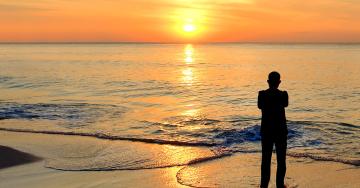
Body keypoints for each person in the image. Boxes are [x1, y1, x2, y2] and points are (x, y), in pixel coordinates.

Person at [258, 71, 288, 188]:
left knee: (266, 160)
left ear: (268, 82)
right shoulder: (283, 95)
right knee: (281, 160)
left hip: (266, 131)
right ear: (279, 82)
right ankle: (279, 184)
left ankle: (263, 185)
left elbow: (260, 106)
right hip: (280, 131)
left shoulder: (262, 95)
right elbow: (285, 104)